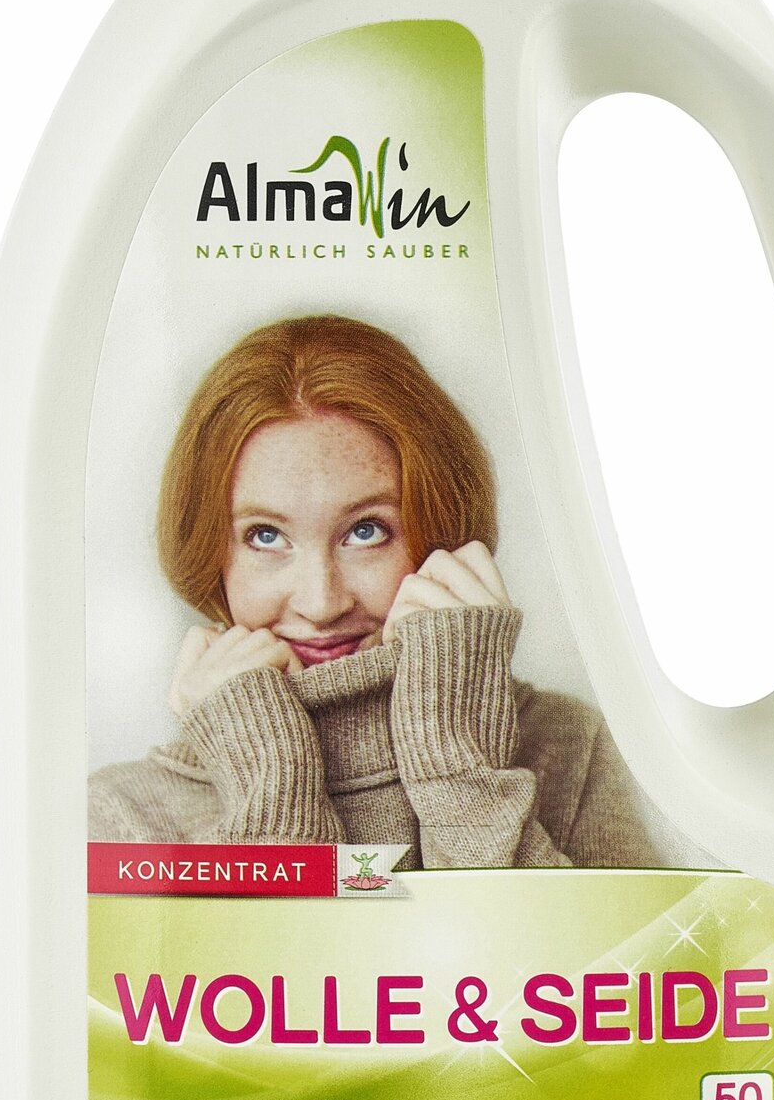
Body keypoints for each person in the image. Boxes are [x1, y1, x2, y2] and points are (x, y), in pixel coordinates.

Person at [88, 314, 700, 868]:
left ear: (439, 536)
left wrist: (459, 767)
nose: (321, 603)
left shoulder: (568, 748)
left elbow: (588, 964)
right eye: (266, 536)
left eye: (366, 531)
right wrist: (272, 786)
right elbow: (286, 967)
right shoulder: (124, 815)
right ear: (208, 549)